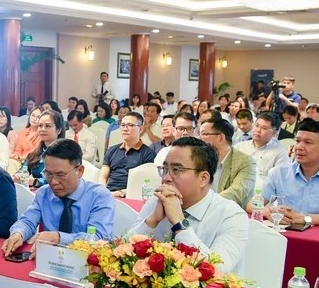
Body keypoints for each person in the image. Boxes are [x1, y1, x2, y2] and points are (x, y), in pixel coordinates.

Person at [127, 136, 248, 275]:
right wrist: (152, 221)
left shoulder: (232, 215)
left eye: (177, 169)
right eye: (164, 169)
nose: (166, 178)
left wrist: (179, 223)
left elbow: (215, 271)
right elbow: (122, 251)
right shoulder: (156, 202)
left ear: (203, 178)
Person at [1, 139, 116, 257]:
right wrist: (18, 233)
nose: (53, 182)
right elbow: (28, 221)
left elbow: (99, 238)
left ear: (80, 171)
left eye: (60, 175)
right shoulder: (44, 193)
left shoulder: (100, 196)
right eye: (48, 174)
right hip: (47, 261)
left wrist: (59, 237)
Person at [257, 120, 319, 227]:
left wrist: (307, 218)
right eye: (297, 141)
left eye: (308, 142)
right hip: (285, 235)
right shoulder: (279, 173)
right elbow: (253, 204)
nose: (299, 147)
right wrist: (269, 212)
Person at [199, 119, 256, 209]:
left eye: (204, 134)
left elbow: (236, 193)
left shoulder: (245, 162)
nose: (200, 138)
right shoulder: (200, 158)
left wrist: (204, 204)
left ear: (221, 138)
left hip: (230, 215)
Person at [100, 112, 156, 196]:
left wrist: (120, 193)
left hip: (132, 196)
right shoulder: (112, 150)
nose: (125, 129)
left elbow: (146, 183)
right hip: (109, 194)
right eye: (122, 125)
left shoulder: (148, 154)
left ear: (140, 129)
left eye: (130, 125)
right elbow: (103, 177)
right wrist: (103, 192)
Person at [235, 112, 290, 183]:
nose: (258, 130)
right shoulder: (239, 147)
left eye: (264, 128)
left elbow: (281, 180)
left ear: (274, 133)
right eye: (257, 125)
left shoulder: (280, 153)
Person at [20, 109, 65, 187]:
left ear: (59, 130)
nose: (42, 129)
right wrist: (18, 175)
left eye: (47, 126)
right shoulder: (34, 153)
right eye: (40, 126)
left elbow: (63, 179)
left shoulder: (66, 154)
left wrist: (37, 182)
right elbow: (23, 170)